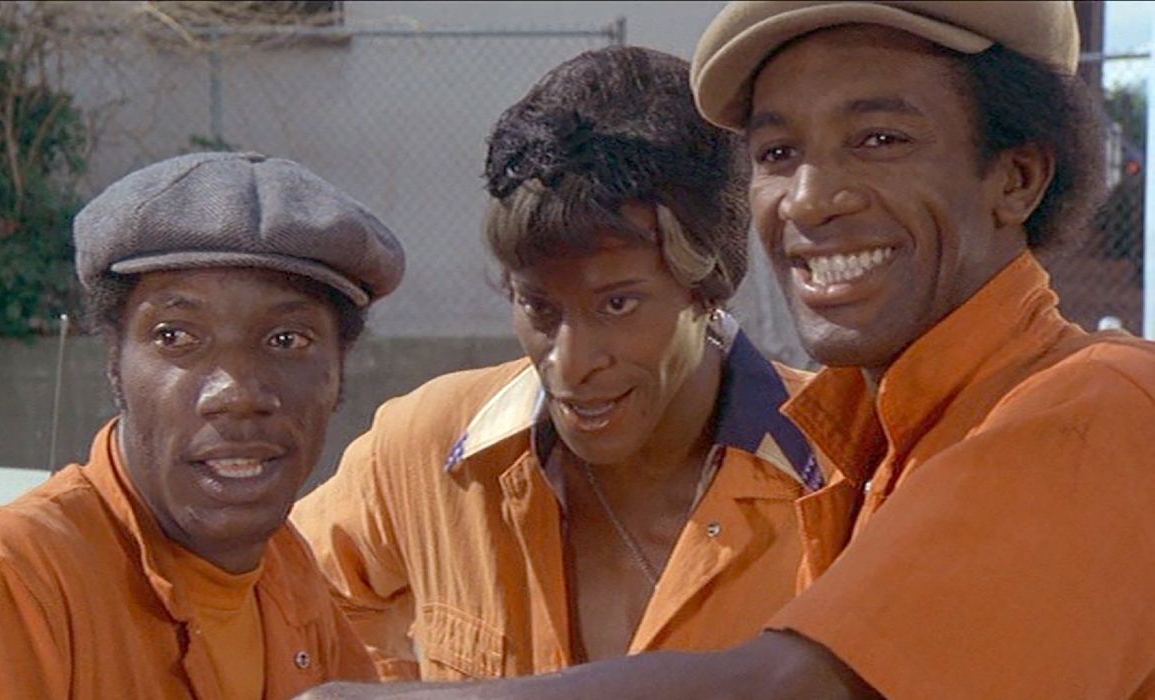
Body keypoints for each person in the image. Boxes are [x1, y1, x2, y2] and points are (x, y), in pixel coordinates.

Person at [299, 2, 1155, 699]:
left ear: (1018, 176)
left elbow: (788, 689)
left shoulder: (1104, 410)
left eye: (880, 138)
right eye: (779, 152)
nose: (811, 199)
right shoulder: (870, 454)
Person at [291, 45, 822, 682]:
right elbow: (278, 604)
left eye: (618, 304)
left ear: (707, 285)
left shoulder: (847, 475)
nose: (570, 365)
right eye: (538, 307)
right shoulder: (426, 450)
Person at [0, 151, 404, 699]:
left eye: (286, 341)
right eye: (176, 336)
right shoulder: (12, 573)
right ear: (115, 363)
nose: (236, 394)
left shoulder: (288, 570)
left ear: (339, 373)